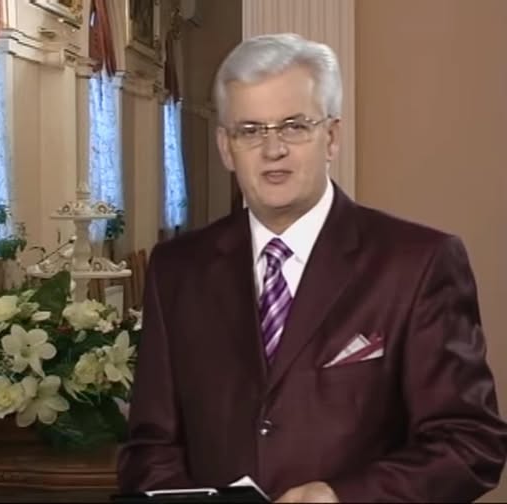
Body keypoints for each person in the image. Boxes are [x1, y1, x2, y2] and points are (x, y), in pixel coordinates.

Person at [117, 33, 507, 502]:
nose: (273, 149)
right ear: (225, 147)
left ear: (332, 137)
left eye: (294, 126)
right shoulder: (177, 269)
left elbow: (469, 444)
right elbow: (150, 448)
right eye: (250, 130)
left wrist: (343, 497)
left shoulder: (418, 262)